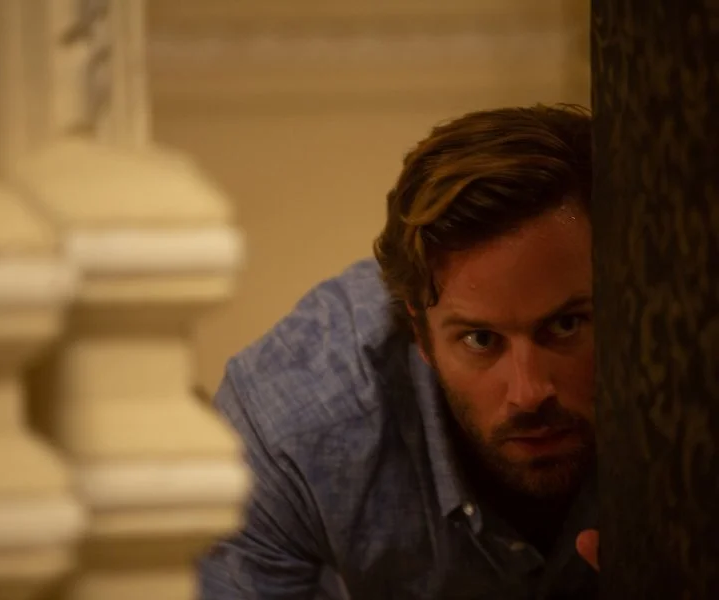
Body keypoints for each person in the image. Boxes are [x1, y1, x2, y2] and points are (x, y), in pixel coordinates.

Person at [199, 104, 601, 599]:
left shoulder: (679, 365)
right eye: (481, 340)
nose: (529, 391)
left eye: (565, 325)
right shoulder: (291, 431)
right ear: (420, 334)